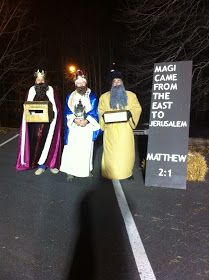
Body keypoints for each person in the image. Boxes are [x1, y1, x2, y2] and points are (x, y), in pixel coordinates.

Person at [16, 70, 62, 175]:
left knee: (50, 142)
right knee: (37, 143)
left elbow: (56, 105)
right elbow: (27, 106)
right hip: (35, 123)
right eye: (38, 79)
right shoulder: (31, 90)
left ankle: (51, 164)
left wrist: (54, 116)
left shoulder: (50, 89)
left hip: (50, 122)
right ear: (35, 81)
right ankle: (40, 165)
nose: (40, 81)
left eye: (42, 79)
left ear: (45, 80)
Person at [98, 69, 142, 180]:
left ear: (122, 82)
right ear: (111, 84)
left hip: (125, 130)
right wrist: (103, 116)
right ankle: (108, 174)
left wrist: (130, 113)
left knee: (125, 153)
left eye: (119, 81)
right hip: (110, 131)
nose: (117, 83)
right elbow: (100, 110)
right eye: (114, 81)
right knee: (110, 154)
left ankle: (127, 173)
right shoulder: (104, 97)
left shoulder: (131, 96)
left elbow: (137, 108)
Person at [60, 70, 101, 181]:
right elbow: (67, 111)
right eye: (78, 83)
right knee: (72, 149)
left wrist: (86, 121)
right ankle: (70, 172)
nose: (80, 85)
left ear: (86, 82)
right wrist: (74, 120)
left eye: (82, 82)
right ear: (75, 84)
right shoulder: (70, 96)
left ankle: (85, 170)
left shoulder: (92, 96)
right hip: (74, 128)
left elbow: (94, 111)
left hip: (87, 128)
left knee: (85, 149)